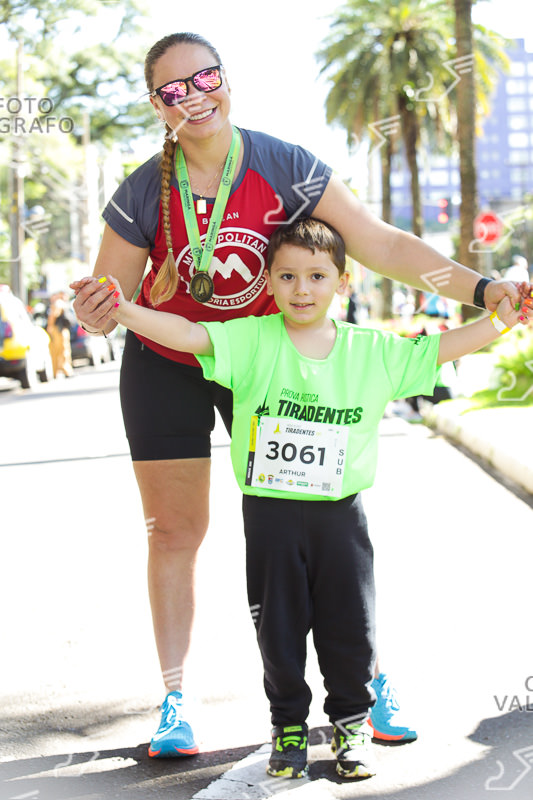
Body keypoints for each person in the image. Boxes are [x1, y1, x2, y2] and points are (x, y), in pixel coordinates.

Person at [70, 32, 533, 759]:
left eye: (205, 78)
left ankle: (369, 679)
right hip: (170, 361)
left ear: (226, 78)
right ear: (157, 106)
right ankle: (175, 701)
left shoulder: (285, 166)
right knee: (174, 533)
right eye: (173, 91)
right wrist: (95, 309)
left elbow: (381, 244)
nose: (194, 97)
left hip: (268, 360)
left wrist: (481, 289)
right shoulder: (139, 190)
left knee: (317, 523)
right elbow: (108, 299)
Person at [81, 217, 524, 780]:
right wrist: (121, 309)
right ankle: (287, 726)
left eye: (317, 276)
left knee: (350, 626)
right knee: (279, 629)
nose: (302, 289)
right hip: (270, 517)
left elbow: (439, 349)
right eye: (287, 276)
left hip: (340, 519)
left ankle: (351, 726)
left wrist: (501, 319)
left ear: (343, 281)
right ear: (268, 282)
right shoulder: (251, 339)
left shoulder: (370, 350)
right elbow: (189, 335)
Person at [46, 294, 74, 378]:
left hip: (59, 329)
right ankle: (65, 370)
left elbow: (53, 315)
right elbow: (54, 315)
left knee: (60, 351)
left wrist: (49, 326)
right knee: (62, 350)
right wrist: (50, 326)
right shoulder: (60, 303)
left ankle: (59, 371)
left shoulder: (58, 303)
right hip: (59, 330)